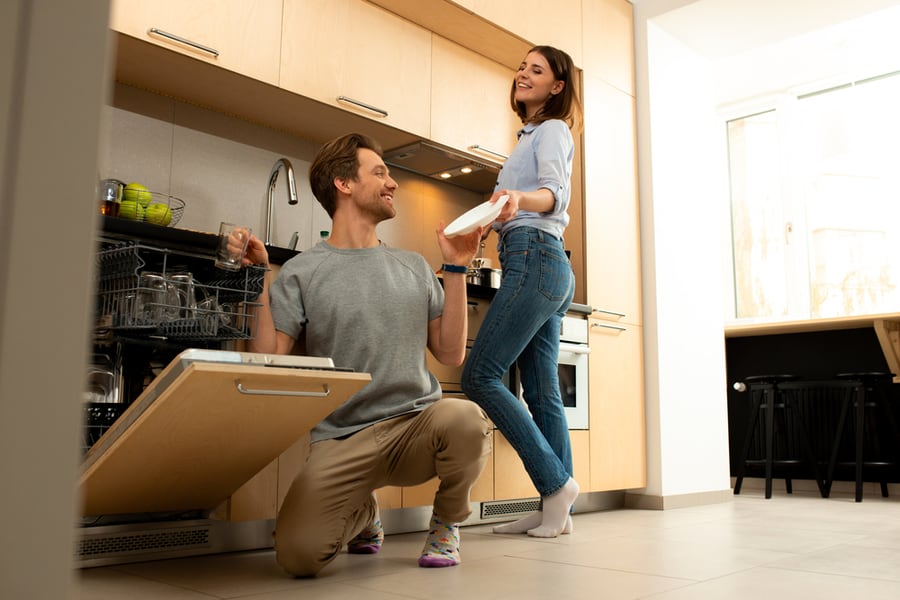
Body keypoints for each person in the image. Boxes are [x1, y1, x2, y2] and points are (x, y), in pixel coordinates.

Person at [241, 132, 492, 577]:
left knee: (466, 419)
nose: (392, 182)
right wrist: (258, 275)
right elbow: (268, 355)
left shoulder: (413, 265)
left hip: (414, 425)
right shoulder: (302, 272)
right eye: (380, 172)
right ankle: (364, 514)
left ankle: (447, 524)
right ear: (344, 184)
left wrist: (454, 266)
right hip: (341, 438)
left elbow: (451, 353)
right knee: (298, 557)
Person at [461, 45, 584, 539]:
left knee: (480, 376)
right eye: (521, 67)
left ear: (557, 86)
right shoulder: (527, 137)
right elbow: (524, 201)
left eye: (537, 70)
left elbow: (555, 195)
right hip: (539, 259)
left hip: (536, 258)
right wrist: (491, 217)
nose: (523, 74)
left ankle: (556, 487)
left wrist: (515, 200)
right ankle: (556, 510)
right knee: (541, 390)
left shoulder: (553, 130)